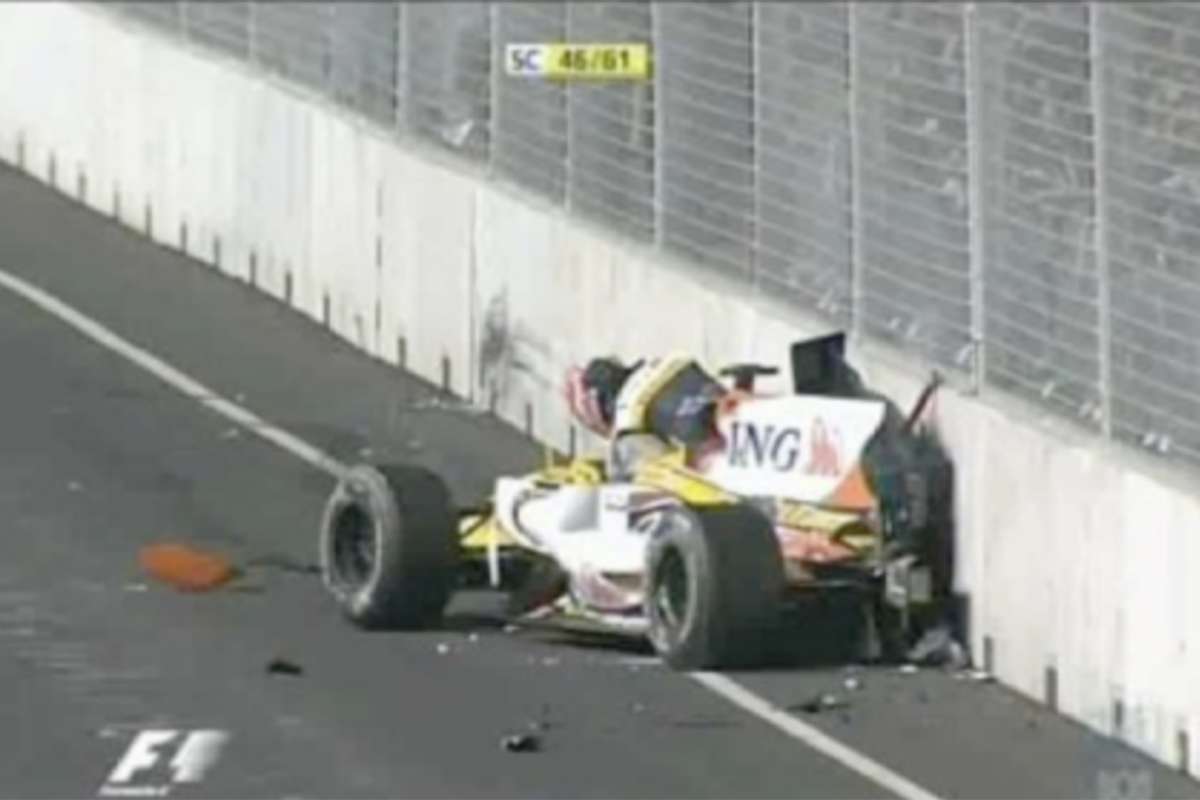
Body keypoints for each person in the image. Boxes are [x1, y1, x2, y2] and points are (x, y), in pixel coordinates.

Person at [564, 353, 728, 480]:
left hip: (714, 457)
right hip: (727, 413)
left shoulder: (627, 423)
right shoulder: (666, 363)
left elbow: (648, 481)